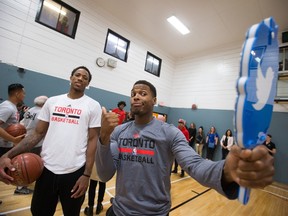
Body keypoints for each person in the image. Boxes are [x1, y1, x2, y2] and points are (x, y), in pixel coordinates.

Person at [95, 80, 274, 216]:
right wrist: (103, 137)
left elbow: (194, 164)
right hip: (119, 211)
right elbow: (104, 174)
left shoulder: (170, 133)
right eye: (133, 93)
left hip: (154, 212)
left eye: (143, 93)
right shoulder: (119, 132)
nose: (136, 96)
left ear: (154, 100)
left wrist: (226, 170)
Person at [0, 66, 101, 216]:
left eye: (84, 77)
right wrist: (7, 155)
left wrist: (86, 175)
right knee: (40, 212)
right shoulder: (52, 102)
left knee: (71, 213)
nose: (80, 78)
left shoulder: (93, 105)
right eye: (77, 75)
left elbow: (93, 140)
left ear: (88, 84)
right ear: (70, 78)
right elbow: (37, 133)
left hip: (75, 171)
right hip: (46, 169)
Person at [0, 83, 31, 195]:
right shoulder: (7, 107)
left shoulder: (12, 107)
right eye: (23, 92)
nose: (24, 95)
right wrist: (13, 139)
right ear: (17, 93)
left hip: (4, 145)